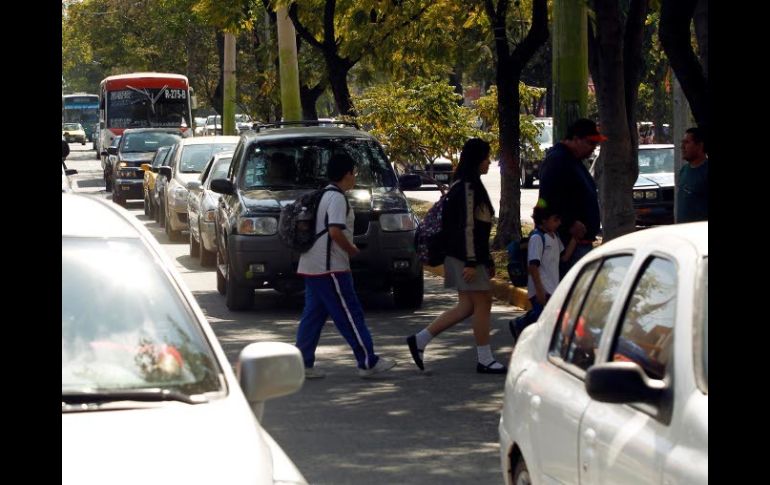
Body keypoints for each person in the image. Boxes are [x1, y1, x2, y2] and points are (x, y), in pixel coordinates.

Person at [406, 138, 507, 375]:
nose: (489, 162)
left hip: (463, 256)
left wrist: (487, 259)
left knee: (466, 306)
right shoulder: (468, 188)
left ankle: (420, 340)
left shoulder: (463, 184)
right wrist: (473, 262)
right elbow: (468, 228)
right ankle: (484, 359)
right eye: (486, 157)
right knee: (483, 304)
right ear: (476, 160)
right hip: (466, 258)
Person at [295, 153, 396, 379]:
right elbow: (334, 230)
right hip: (330, 267)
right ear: (347, 174)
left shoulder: (323, 195)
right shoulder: (338, 198)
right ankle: (367, 361)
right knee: (350, 314)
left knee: (313, 315)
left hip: (312, 264)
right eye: (354, 173)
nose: (355, 177)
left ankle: (302, 363)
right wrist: (352, 250)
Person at [538, 118, 605, 278]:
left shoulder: (572, 160)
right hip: (569, 243)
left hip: (579, 243)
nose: (593, 148)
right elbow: (546, 201)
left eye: (595, 145)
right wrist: (569, 223)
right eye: (590, 143)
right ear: (575, 139)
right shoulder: (558, 160)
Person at [508, 202, 578, 342]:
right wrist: (539, 290)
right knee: (544, 320)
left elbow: (564, 257)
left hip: (552, 286)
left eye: (559, 220)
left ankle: (521, 324)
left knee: (544, 317)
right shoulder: (537, 238)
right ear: (544, 220)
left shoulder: (554, 236)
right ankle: (524, 329)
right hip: (541, 288)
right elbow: (533, 267)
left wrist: (575, 239)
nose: (558, 223)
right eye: (555, 220)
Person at [676, 127, 708, 223]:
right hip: (682, 232)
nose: (682, 146)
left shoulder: (706, 172)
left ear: (700, 145)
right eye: (682, 142)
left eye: (687, 142)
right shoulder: (684, 170)